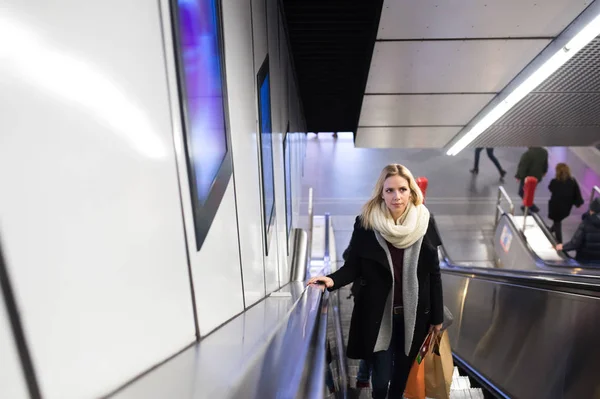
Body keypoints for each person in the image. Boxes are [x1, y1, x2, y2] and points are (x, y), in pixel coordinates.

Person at [308, 164, 444, 399]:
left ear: (411, 191)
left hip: (414, 316)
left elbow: (434, 274)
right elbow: (353, 266)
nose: (396, 196)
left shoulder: (425, 222)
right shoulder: (366, 223)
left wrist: (437, 318)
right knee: (380, 380)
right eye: (390, 190)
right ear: (381, 192)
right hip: (379, 316)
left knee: (401, 376)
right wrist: (331, 280)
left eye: (402, 189)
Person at [556, 198, 600, 265]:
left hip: (585, 259)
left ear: (592, 210)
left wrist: (563, 247)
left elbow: (575, 243)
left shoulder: (586, 223)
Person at [547, 163, 584, 243]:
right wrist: (578, 203)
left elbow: (550, 188)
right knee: (557, 221)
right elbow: (577, 193)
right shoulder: (572, 181)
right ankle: (550, 230)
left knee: (557, 222)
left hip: (555, 208)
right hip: (566, 208)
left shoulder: (555, 181)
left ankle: (559, 243)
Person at [515, 146, 549, 213]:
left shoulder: (527, 154)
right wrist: (544, 171)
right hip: (537, 177)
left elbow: (523, 167)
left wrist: (519, 176)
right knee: (530, 191)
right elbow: (545, 163)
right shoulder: (544, 152)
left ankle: (532, 207)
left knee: (522, 192)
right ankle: (526, 206)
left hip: (527, 178)